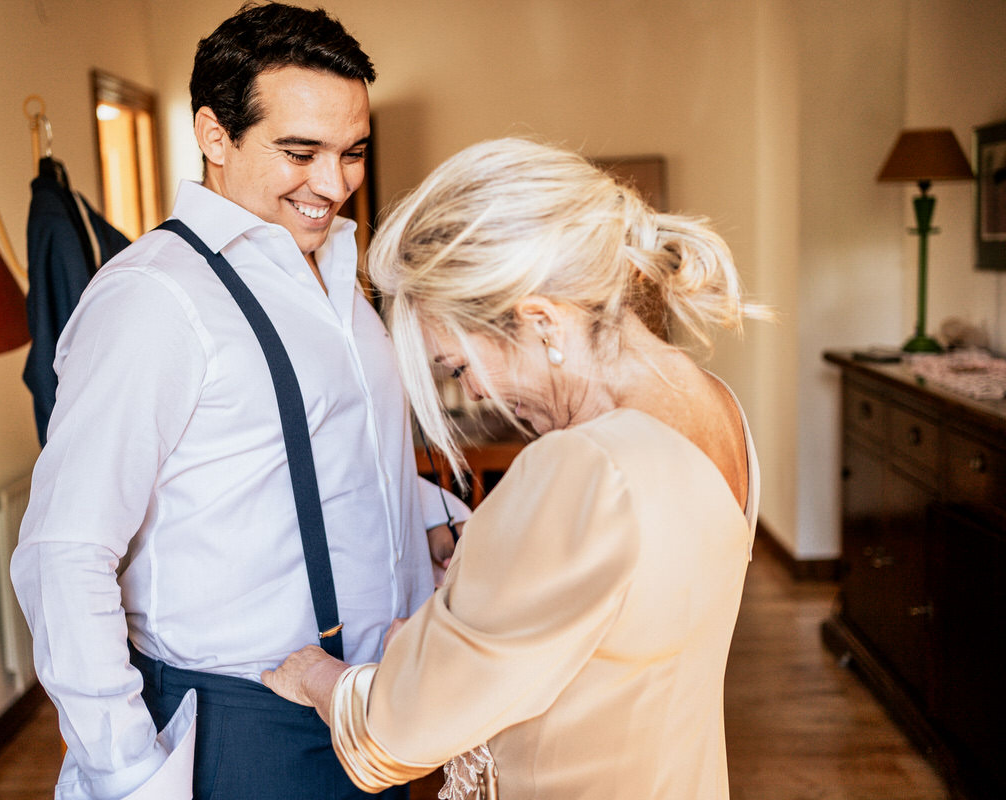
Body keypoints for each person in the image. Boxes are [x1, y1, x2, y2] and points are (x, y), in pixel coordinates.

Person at [11, 4, 466, 799]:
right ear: (215, 135)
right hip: (243, 729)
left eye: (351, 152)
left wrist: (424, 518)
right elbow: (63, 554)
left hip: (371, 706)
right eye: (301, 152)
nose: (333, 184)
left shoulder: (333, 278)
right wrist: (128, 772)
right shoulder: (153, 300)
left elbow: (327, 450)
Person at [262, 137, 768, 800]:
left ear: (541, 321)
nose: (472, 395)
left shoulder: (583, 466)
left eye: (460, 368)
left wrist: (315, 678)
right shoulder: (713, 402)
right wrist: (489, 580)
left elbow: (399, 733)